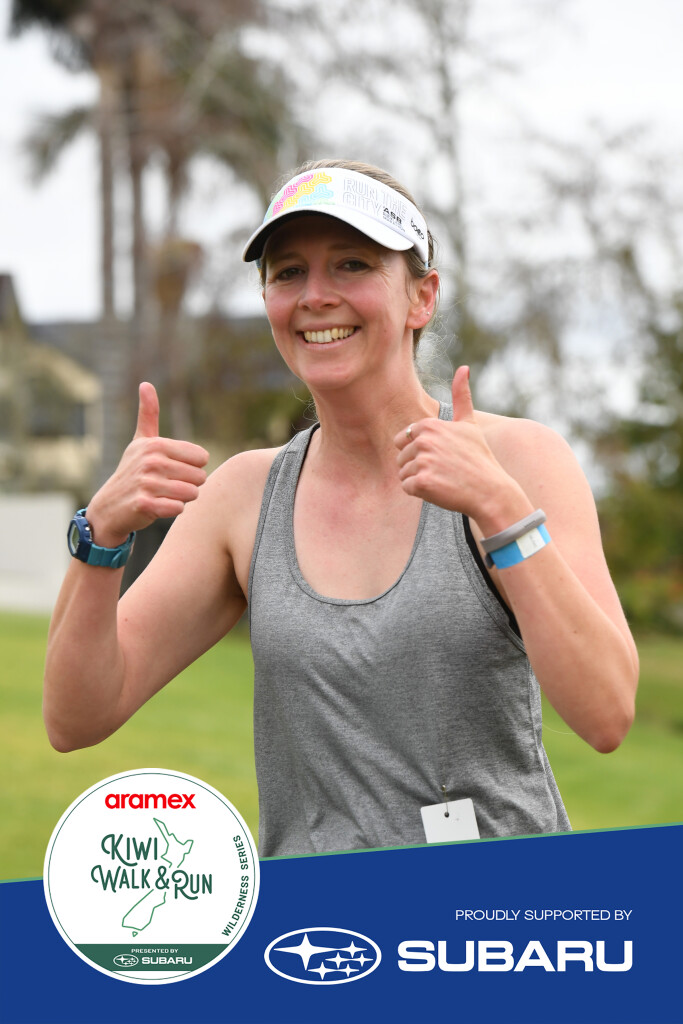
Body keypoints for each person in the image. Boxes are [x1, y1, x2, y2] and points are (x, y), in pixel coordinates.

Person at [44, 159, 639, 856]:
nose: (315, 296)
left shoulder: (518, 460)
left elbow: (606, 714)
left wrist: (500, 508)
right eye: (288, 272)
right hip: (318, 920)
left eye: (352, 265)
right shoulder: (244, 496)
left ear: (421, 298)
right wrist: (101, 537)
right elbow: (75, 717)